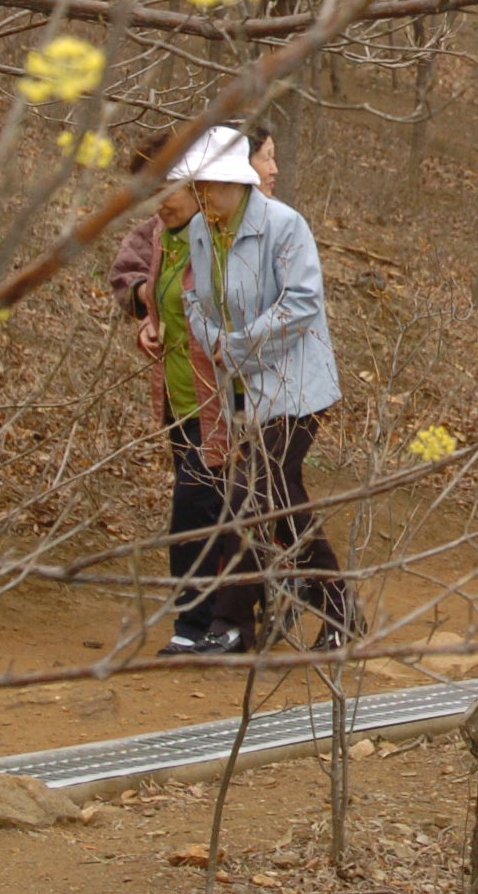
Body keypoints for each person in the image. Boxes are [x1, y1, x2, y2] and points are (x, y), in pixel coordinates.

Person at [173, 125, 360, 649]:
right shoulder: (200, 232)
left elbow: (301, 304)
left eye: (216, 185)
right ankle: (339, 611)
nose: (207, 196)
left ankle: (231, 625)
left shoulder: (285, 226)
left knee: (251, 499)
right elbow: (195, 300)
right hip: (246, 392)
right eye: (200, 186)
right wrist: (216, 340)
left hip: (298, 389)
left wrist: (235, 347)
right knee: (276, 500)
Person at [109, 130, 237, 655]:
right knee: (209, 506)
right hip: (179, 399)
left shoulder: (230, 235)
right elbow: (130, 281)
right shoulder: (159, 235)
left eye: (171, 186)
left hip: (229, 400)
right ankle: (227, 618)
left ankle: (197, 626)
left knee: (198, 505)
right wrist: (148, 315)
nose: (160, 200)